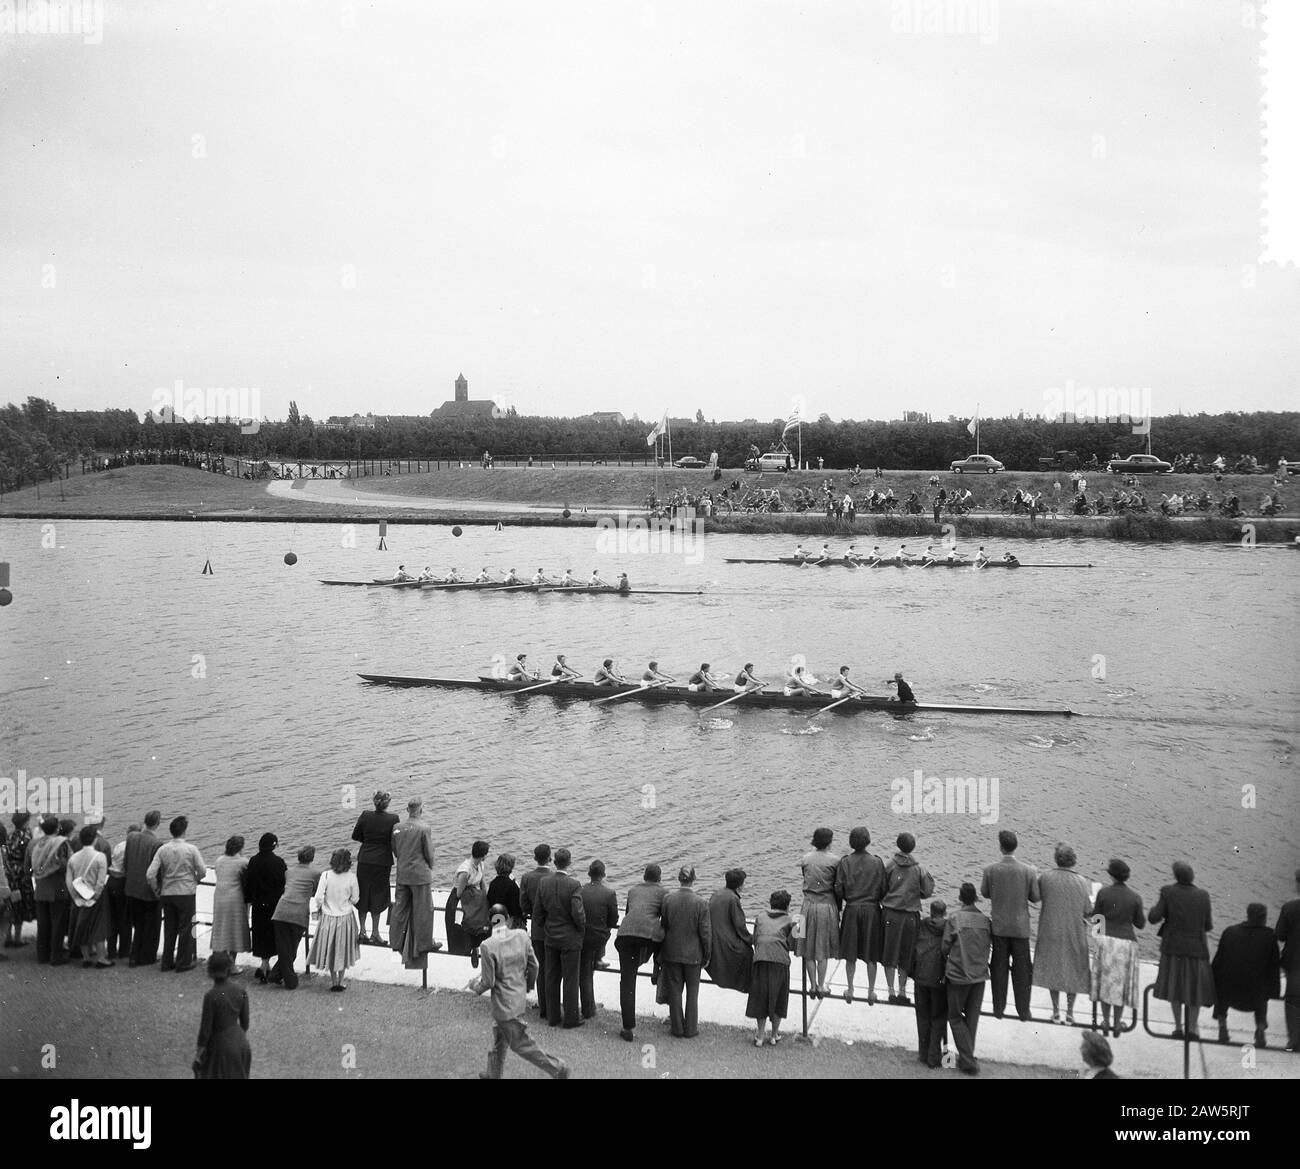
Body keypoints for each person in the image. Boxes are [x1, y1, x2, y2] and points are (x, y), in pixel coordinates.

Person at [467, 905, 570, 1080]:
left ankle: (557, 1068)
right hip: (517, 998)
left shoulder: (487, 946)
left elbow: (488, 982)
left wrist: (474, 986)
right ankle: (492, 1073)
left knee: (520, 1043)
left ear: (490, 922)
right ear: (508, 919)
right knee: (499, 1037)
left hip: (503, 1006)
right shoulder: (521, 936)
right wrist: (528, 986)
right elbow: (534, 966)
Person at [1149, 861, 1215, 1038]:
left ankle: (1178, 1027)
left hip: (1173, 949)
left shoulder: (1167, 891)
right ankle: (1192, 1029)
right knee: (1194, 990)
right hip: (1197, 949)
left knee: (1174, 987)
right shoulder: (1203, 895)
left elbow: (1153, 917)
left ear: (1175, 875)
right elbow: (1208, 925)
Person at [980, 829, 1041, 1022]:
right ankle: (1023, 1010)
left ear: (1000, 847)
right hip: (1020, 928)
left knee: (998, 968)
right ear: (1016, 846)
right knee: (1023, 970)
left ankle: (999, 1009)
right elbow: (1036, 897)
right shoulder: (1028, 871)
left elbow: (985, 893)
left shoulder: (990, 869)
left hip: (999, 927)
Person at [1033, 843, 1091, 1025]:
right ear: (1073, 860)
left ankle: (1056, 1010)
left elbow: (1036, 896)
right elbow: (1088, 910)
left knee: (1054, 969)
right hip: (1074, 931)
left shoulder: (1046, 877)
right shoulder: (1082, 882)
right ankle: (1070, 1012)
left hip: (1051, 930)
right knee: (1072, 970)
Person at [1090, 858, 1146, 1038]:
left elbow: (1097, 919)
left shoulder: (1104, 893)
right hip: (1126, 942)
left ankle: (1105, 1021)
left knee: (1105, 983)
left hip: (1106, 940)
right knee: (1119, 985)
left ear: (1111, 875)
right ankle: (1116, 1023)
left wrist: (1097, 942)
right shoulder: (1135, 897)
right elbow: (1140, 924)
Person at [1211, 903, 1280, 1047]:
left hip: (1229, 994)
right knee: (1261, 985)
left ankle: (1222, 1025)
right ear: (1264, 918)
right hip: (1255, 997)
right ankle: (1260, 1029)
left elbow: (1217, 963)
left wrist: (1212, 984)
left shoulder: (1230, 932)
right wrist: (1274, 993)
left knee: (1223, 980)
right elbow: (1273, 970)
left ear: (1247, 915)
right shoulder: (1270, 937)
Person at [146, 815, 207, 973]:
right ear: (184, 831)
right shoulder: (191, 849)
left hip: (167, 892)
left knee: (170, 927)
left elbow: (150, 874)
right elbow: (202, 870)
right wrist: (196, 880)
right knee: (186, 928)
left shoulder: (163, 849)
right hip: (186, 891)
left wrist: (157, 889)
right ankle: (184, 961)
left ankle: (167, 961)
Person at [943, 883, 992, 1075]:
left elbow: (945, 946)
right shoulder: (985, 921)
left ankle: (968, 1060)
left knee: (954, 1016)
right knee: (972, 1019)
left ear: (960, 898)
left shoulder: (955, 918)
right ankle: (966, 1057)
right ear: (976, 899)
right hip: (979, 975)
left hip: (958, 974)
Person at [535, 847, 586, 1028]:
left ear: (554, 862)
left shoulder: (544, 883)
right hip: (570, 938)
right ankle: (571, 1018)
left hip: (550, 936)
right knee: (571, 979)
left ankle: (553, 1016)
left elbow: (538, 913)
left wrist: (547, 926)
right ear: (569, 862)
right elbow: (578, 913)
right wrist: (580, 930)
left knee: (551, 977)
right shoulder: (574, 885)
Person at [881, 832, 935, 1004]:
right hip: (910, 916)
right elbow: (927, 892)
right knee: (906, 953)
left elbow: (881, 888)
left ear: (898, 845)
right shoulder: (919, 869)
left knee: (889, 951)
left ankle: (890, 990)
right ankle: (902, 991)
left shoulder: (890, 865)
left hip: (890, 913)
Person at [615, 863, 666, 1042]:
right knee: (663, 939)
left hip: (625, 936)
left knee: (627, 981)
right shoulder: (663, 893)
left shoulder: (633, 890)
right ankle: (657, 969)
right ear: (659, 878)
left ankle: (627, 1027)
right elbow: (666, 920)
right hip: (649, 937)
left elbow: (629, 913)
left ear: (644, 877)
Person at [390, 798, 442, 969]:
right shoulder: (424, 828)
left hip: (403, 873)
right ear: (421, 809)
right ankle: (424, 942)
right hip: (420, 875)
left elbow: (395, 850)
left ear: (407, 809)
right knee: (424, 910)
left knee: (399, 908)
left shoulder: (397, 828)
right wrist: (431, 866)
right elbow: (429, 852)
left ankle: (396, 939)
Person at [659, 865, 711, 1038]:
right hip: (693, 954)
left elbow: (664, 925)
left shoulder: (667, 899)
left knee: (675, 991)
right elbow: (705, 933)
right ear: (693, 879)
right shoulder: (701, 903)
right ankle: (690, 1028)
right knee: (692, 993)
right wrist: (707, 954)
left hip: (672, 951)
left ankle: (677, 1028)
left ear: (679, 878)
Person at [835, 826, 886, 1003]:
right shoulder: (877, 862)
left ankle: (850, 989)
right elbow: (883, 889)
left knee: (850, 953)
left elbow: (839, 888)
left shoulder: (845, 862)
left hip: (852, 909)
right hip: (872, 911)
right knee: (871, 954)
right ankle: (871, 992)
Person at [308, 848, 361, 991]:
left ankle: (333, 981)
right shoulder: (351, 877)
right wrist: (347, 903)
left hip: (328, 917)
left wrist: (321, 906)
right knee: (343, 948)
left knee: (331, 948)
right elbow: (355, 899)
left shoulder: (326, 875)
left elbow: (318, 897)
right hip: (345, 917)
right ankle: (341, 981)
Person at [269, 845, 320, 990]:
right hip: (298, 913)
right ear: (312, 858)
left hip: (281, 911)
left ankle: (276, 974)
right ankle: (290, 981)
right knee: (291, 949)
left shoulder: (289, 872)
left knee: (285, 948)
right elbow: (316, 892)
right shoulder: (316, 873)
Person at [350, 790, 398, 946]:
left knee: (363, 894)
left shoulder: (365, 815)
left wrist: (369, 842)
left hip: (365, 859)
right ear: (387, 803)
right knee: (378, 895)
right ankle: (375, 932)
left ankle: (362, 931)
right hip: (382, 861)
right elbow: (394, 840)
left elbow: (356, 835)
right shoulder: (393, 819)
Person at [193, 952, 251, 1079]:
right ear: (229, 969)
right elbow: (245, 1023)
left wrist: (198, 1054)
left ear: (210, 972)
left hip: (220, 1045)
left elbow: (205, 1030)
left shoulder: (211, 996)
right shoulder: (241, 990)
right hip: (240, 1041)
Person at [797, 828, 840, 997]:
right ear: (829, 842)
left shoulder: (805, 858)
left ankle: (812, 985)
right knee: (823, 949)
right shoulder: (836, 861)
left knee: (806, 948)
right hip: (826, 905)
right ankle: (821, 986)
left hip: (806, 905)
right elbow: (837, 886)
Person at [579, 859, 619, 1019]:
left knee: (584, 972)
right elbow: (613, 920)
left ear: (589, 874)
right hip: (598, 939)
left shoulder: (580, 890)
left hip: (581, 936)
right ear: (603, 875)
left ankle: (588, 1004)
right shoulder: (609, 894)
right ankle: (588, 1009)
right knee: (587, 974)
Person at [67, 826, 112, 968]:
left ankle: (85, 957)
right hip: (95, 897)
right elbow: (101, 881)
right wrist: (95, 897)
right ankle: (101, 958)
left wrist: (75, 897)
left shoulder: (73, 858)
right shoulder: (100, 857)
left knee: (82, 926)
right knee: (98, 928)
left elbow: (69, 880)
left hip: (78, 896)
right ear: (94, 839)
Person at [245, 833, 287, 984]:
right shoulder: (278, 862)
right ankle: (265, 967)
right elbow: (284, 884)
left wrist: (249, 902)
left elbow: (248, 884)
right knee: (274, 936)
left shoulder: (253, 861)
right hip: (274, 905)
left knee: (261, 935)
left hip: (258, 905)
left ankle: (264, 965)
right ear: (274, 845)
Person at [518, 843, 553, 1019]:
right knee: (553, 967)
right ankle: (553, 1001)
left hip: (537, 927)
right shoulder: (555, 877)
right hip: (555, 927)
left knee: (540, 965)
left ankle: (543, 1002)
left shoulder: (527, 877)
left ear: (535, 858)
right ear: (550, 858)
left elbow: (523, 903)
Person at [124, 810, 163, 966]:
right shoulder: (157, 844)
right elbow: (157, 871)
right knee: (151, 926)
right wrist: (158, 891)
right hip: (148, 891)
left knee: (137, 924)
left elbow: (126, 861)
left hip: (131, 888)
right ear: (158, 824)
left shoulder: (131, 837)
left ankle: (134, 955)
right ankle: (147, 956)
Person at [912, 899, 948, 1067]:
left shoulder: (922, 924)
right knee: (938, 1017)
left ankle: (923, 1053)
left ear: (931, 911)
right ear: (945, 912)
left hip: (920, 975)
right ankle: (934, 1057)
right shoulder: (948, 927)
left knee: (922, 1016)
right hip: (938, 978)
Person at [31, 816, 71, 965]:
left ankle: (42, 955)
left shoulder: (36, 845)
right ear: (57, 828)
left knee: (43, 924)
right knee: (58, 923)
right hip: (57, 888)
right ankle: (56, 955)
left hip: (40, 888)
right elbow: (65, 864)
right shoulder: (60, 843)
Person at [706, 868, 753, 993]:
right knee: (747, 952)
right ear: (739, 885)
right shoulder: (733, 899)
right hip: (724, 942)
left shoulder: (717, 894)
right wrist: (751, 939)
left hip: (713, 939)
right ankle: (746, 986)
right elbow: (740, 926)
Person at [210, 835, 251, 972]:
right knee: (235, 931)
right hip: (236, 899)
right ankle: (231, 965)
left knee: (220, 929)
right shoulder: (243, 862)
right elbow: (247, 881)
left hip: (220, 897)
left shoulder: (219, 860)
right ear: (240, 848)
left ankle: (219, 964)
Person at [454, 840, 492, 965]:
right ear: (483, 855)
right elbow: (459, 892)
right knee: (474, 917)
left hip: (476, 894)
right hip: (465, 895)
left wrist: (485, 898)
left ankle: (481, 943)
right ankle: (473, 946)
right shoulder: (465, 871)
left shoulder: (481, 865)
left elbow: (482, 882)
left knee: (486, 914)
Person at [4, 812, 35, 947]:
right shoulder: (27, 836)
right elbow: (30, 856)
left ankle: (8, 936)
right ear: (26, 822)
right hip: (22, 872)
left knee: (11, 903)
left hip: (10, 872)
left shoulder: (10, 835)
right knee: (20, 904)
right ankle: (17, 938)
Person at [105, 824, 135, 960]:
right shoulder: (132, 847)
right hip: (122, 882)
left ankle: (111, 950)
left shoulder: (119, 845)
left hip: (111, 881)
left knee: (112, 918)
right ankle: (124, 950)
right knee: (125, 918)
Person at [1278, 869, 1300, 1052]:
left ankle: (1293, 1040)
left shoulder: (1289, 908)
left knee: (1292, 1001)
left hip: (1294, 962)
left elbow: (1280, 935)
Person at [487, 853, 524, 929]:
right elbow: (516, 908)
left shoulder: (493, 883)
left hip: (496, 919)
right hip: (509, 921)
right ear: (510, 867)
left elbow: (489, 901)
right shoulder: (512, 885)